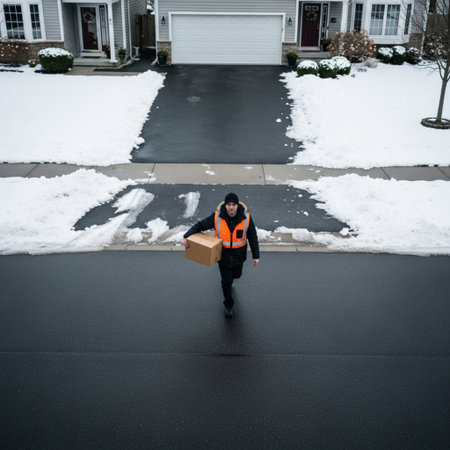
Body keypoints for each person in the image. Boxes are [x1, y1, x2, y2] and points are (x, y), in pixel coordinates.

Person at [183, 192, 260, 318]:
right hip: (223, 257)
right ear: (225, 206)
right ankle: (228, 306)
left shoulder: (247, 219)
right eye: (228, 204)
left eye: (233, 204)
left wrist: (256, 256)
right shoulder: (217, 217)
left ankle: (232, 280)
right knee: (226, 281)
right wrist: (187, 236)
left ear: (237, 205)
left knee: (237, 275)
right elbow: (200, 225)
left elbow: (253, 237)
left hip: (239, 256)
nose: (231, 207)